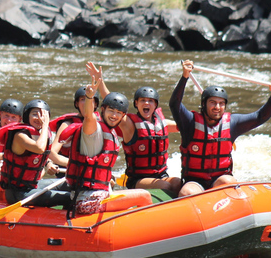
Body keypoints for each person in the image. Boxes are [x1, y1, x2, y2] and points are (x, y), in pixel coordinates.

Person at [169, 59, 271, 196]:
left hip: (219, 180)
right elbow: (174, 104)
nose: (217, 107)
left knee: (229, 181)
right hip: (195, 182)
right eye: (213, 102)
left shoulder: (232, 123)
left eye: (221, 103)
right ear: (204, 104)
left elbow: (260, 116)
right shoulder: (190, 122)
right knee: (187, 192)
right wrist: (185, 76)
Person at [58, 70, 151, 215]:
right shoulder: (94, 130)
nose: (114, 116)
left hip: (97, 195)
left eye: (118, 113)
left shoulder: (112, 132)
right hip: (87, 201)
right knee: (144, 196)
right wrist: (89, 96)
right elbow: (88, 117)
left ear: (123, 116)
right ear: (102, 110)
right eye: (111, 111)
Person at [86, 62, 182, 195]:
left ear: (155, 105)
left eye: (150, 101)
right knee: (165, 185)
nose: (146, 103)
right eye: (142, 100)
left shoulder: (162, 123)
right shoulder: (130, 125)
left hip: (161, 174)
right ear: (136, 104)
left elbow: (186, 124)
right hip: (138, 179)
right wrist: (99, 81)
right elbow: (113, 102)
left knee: (178, 183)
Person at [0, 99, 71, 208]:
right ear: (27, 116)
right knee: (69, 197)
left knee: (71, 184)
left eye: (43, 114)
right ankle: (66, 221)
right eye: (35, 114)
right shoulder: (20, 135)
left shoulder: (41, 136)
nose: (39, 118)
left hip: (32, 186)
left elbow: (57, 158)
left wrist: (82, 165)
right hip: (18, 193)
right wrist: (45, 125)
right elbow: (39, 148)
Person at [49, 85, 100, 168]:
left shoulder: (101, 124)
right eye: (83, 99)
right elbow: (52, 153)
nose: (87, 103)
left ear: (95, 104)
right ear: (77, 104)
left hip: (92, 172)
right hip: (69, 171)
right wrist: (49, 164)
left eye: (90, 99)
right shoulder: (67, 124)